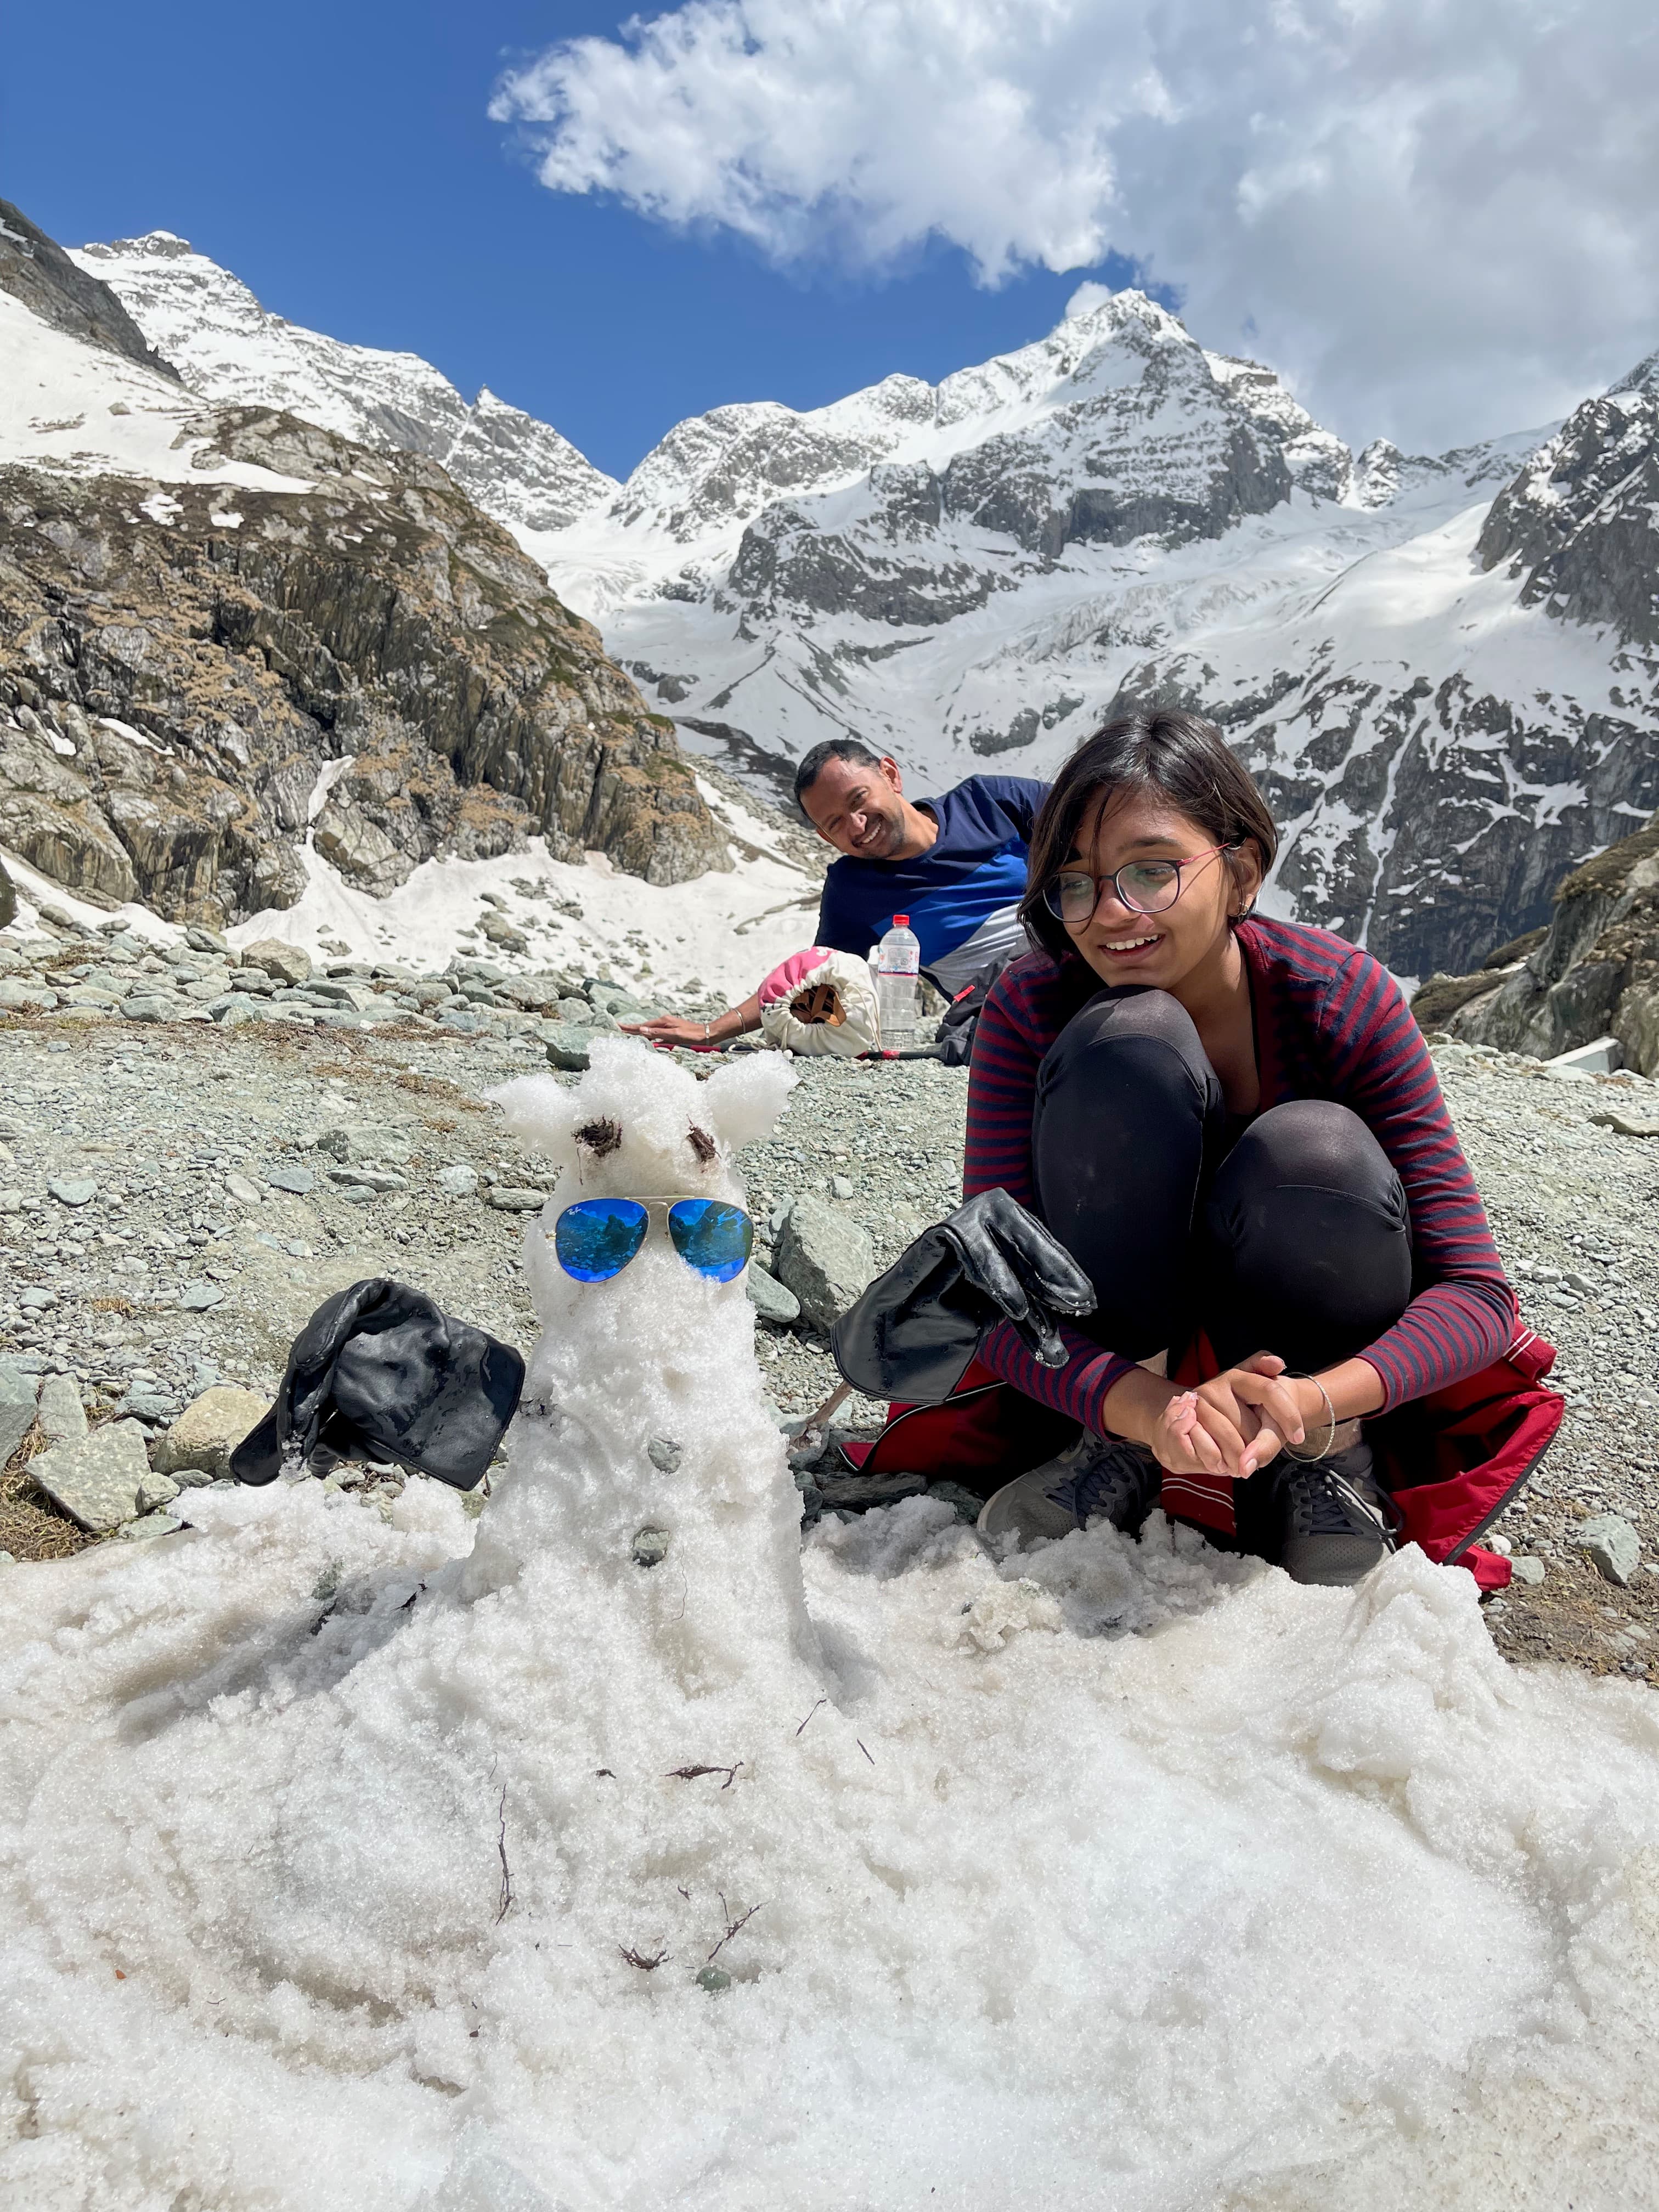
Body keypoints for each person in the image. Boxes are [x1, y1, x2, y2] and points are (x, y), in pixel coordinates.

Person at [964, 709, 1516, 1585]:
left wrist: (1313, 1401)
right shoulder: (1031, 1006)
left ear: (1243, 872)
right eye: (1075, 884)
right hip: (1117, 1364)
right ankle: (1114, 1443)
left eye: (1151, 872)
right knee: (1125, 1042)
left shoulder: (1342, 1001)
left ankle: (1320, 1461)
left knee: (1317, 1149)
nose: (1109, 916)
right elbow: (991, 1282)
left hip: (1306, 1379)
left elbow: (1478, 1294)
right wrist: (1149, 1409)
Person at [622, 741, 1047, 1049]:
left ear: (891, 774)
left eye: (859, 800)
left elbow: (1101, 821)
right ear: (825, 836)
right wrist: (713, 1030)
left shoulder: (992, 803)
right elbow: (812, 980)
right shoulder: (853, 893)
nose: (858, 826)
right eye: (836, 823)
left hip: (1080, 946)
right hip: (1008, 1005)